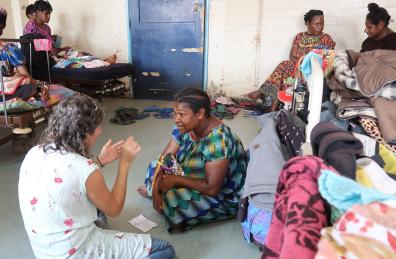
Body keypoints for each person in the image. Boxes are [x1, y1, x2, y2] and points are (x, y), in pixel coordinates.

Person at [18, 95, 175, 259]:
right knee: (165, 249)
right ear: (85, 134)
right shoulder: (85, 168)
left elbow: (72, 180)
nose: (100, 130)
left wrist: (99, 161)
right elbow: (114, 209)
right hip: (77, 251)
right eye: (97, 127)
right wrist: (125, 163)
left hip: (46, 251)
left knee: (98, 210)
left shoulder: (35, 152)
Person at [137, 88, 247, 232]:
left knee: (174, 201)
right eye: (175, 113)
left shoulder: (218, 141)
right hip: (193, 175)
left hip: (222, 194)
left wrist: (175, 180)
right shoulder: (184, 126)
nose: (176, 119)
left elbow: (212, 188)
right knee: (154, 167)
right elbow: (165, 159)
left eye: (181, 114)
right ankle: (159, 194)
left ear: (200, 113)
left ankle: (167, 202)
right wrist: (157, 189)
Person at [244, 9, 336, 111]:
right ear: (307, 23)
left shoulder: (326, 39)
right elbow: (292, 57)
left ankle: (266, 97)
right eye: (317, 24)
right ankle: (273, 105)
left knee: (284, 69)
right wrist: (300, 65)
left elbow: (328, 60)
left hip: (314, 72)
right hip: (297, 69)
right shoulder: (299, 37)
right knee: (285, 72)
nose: (320, 26)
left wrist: (306, 63)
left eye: (322, 23)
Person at [24, 0, 116, 65]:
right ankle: (103, 62)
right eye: (46, 13)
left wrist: (63, 49)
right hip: (46, 60)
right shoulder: (31, 27)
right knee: (79, 58)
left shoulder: (47, 28)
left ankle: (102, 62)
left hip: (54, 56)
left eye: (49, 14)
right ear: (37, 12)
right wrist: (57, 57)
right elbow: (34, 52)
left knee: (83, 54)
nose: (49, 16)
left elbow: (52, 48)